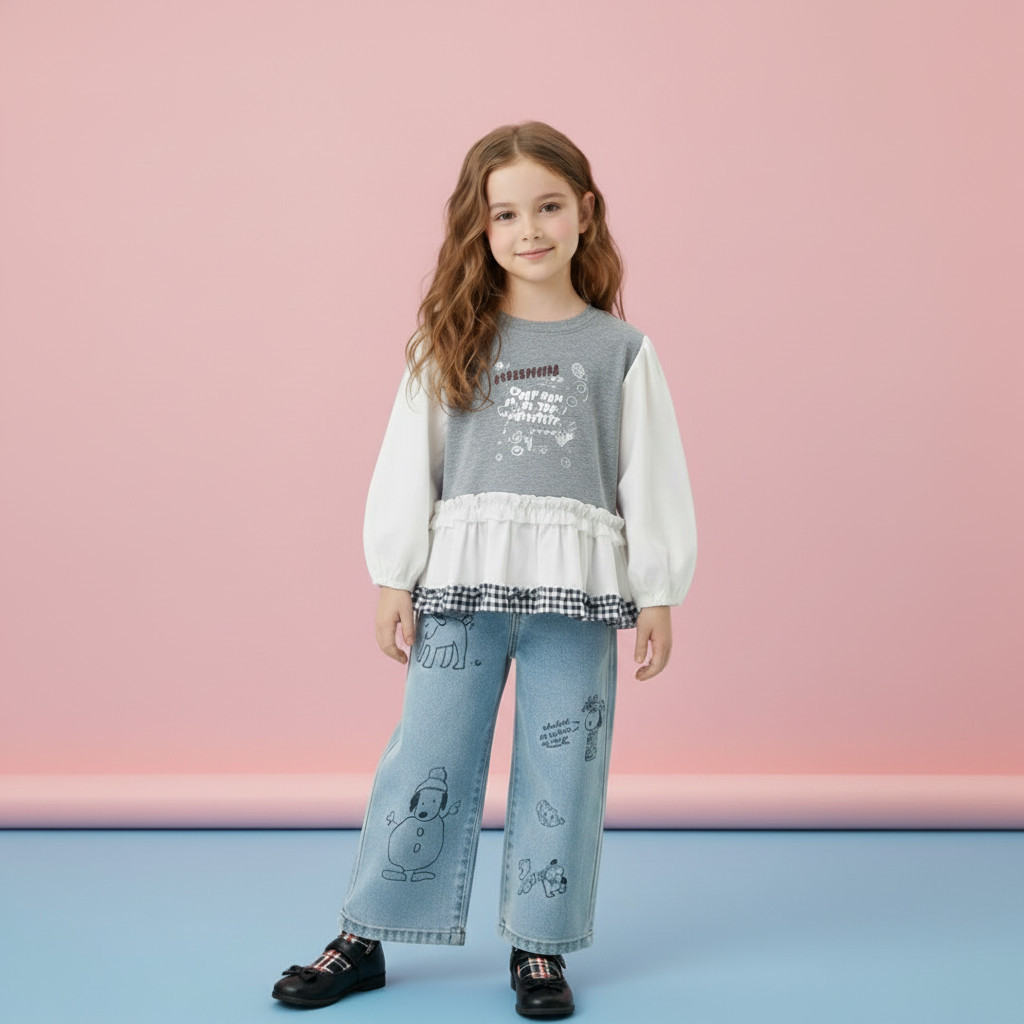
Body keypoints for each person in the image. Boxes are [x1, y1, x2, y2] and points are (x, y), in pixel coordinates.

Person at [271, 121, 697, 1018]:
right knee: (425, 755)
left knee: (565, 768)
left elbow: (651, 475)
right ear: (481, 225)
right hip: (462, 589)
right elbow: (408, 462)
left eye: (548, 207)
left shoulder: (620, 350)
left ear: (585, 211)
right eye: (506, 214)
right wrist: (394, 574)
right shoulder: (450, 338)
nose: (528, 230)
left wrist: (658, 591)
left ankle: (540, 944)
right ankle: (365, 934)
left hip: (576, 600)